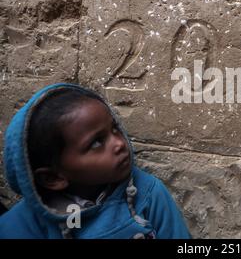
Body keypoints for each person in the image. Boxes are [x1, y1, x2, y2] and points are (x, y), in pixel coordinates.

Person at [0, 83, 191, 239]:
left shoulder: (147, 194)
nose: (119, 143)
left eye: (115, 128)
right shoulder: (20, 227)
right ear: (53, 178)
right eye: (96, 143)